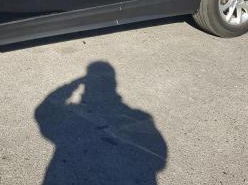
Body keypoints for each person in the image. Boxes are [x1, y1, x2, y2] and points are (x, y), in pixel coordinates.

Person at [35, 61, 167, 184]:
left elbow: (44, 110)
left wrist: (76, 82)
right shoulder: (138, 116)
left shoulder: (74, 114)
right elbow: (159, 159)